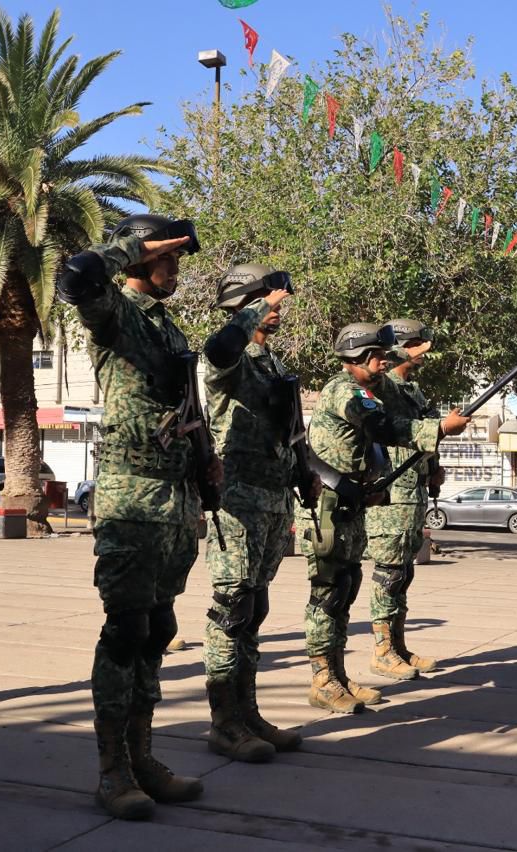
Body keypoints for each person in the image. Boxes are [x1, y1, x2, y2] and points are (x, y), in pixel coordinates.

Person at [58, 214, 234, 820]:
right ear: (142, 260)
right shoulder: (116, 311)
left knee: (157, 631)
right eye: (169, 258)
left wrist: (206, 462)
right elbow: (76, 276)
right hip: (132, 500)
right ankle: (112, 773)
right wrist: (134, 245)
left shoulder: (167, 324)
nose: (176, 268)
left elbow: (189, 406)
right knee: (125, 633)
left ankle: (143, 760)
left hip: (175, 500)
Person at [300, 323, 470, 714]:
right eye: (376, 355)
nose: (382, 362)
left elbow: (371, 438)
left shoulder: (363, 388)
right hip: (328, 505)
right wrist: (441, 428)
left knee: (345, 588)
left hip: (350, 500)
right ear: (357, 358)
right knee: (327, 595)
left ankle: (336, 675)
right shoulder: (343, 390)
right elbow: (382, 427)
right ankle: (322, 678)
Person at [200, 263, 313, 762]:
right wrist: (254, 309)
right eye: (266, 302)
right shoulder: (230, 356)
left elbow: (290, 433)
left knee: (255, 609)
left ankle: (247, 713)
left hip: (271, 500)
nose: (277, 310)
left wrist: (304, 471)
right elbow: (218, 351)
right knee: (231, 610)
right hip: (238, 501)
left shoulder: (269, 364)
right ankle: (224, 723)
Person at [365, 318, 445, 680]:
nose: (424, 351)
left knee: (404, 573)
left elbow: (426, 436)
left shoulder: (413, 391)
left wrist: (435, 469)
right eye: (418, 344)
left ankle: (397, 645)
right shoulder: (385, 386)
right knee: (388, 575)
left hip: (413, 493)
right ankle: (381, 651)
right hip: (391, 496)